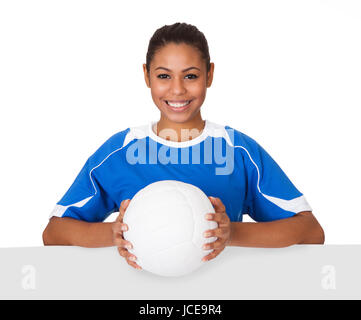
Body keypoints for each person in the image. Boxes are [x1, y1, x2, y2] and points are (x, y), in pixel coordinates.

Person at [43, 22, 324, 270]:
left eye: (190, 76)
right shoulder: (121, 152)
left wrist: (231, 234)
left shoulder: (237, 150)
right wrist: (115, 233)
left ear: (209, 75)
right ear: (146, 75)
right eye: (164, 76)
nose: (177, 90)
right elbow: (54, 234)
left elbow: (311, 232)